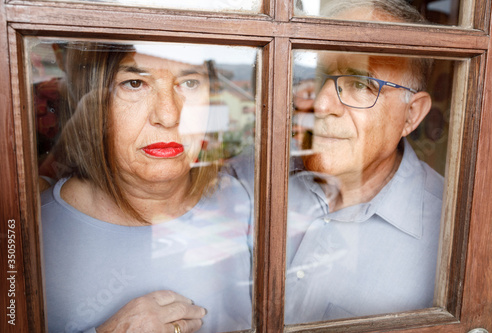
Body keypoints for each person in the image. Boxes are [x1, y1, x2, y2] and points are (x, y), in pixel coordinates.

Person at [40, 41, 253, 333]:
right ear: (93, 106)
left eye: (190, 82)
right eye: (134, 83)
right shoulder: (30, 232)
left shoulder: (246, 201)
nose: (168, 116)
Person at [285, 0, 444, 323]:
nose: (321, 103)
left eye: (359, 84)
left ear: (410, 115)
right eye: (316, 78)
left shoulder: (452, 232)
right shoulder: (256, 174)